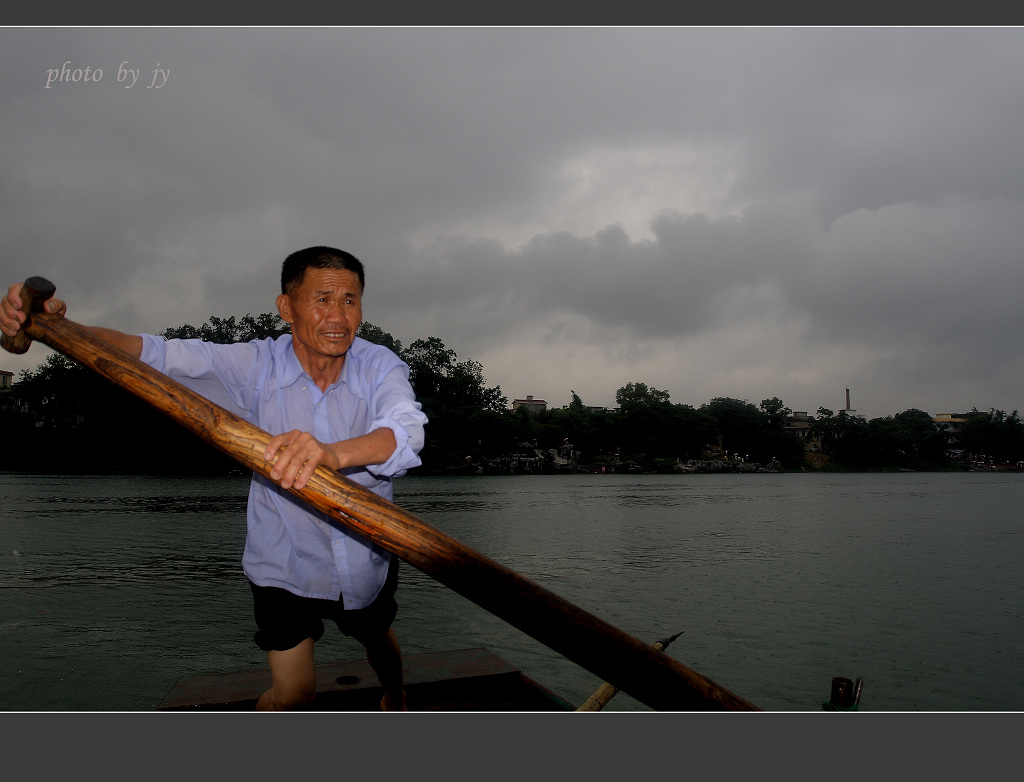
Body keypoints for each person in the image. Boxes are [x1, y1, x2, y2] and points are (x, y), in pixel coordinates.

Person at [1, 246, 427, 711]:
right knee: (292, 694)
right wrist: (59, 329)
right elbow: (152, 353)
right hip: (284, 557)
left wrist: (330, 453)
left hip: (366, 550)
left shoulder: (378, 365)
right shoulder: (253, 365)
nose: (338, 316)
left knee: (379, 641)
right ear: (286, 307)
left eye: (350, 300)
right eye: (322, 298)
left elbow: (404, 430)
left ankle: (394, 695)